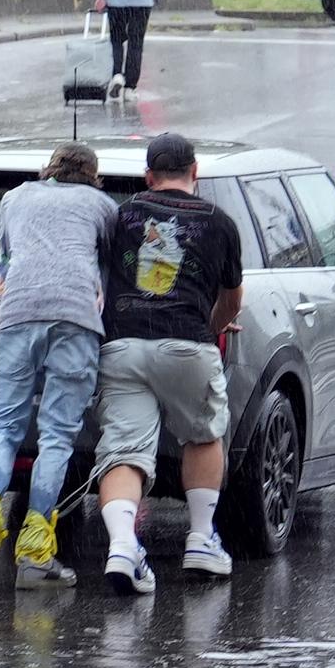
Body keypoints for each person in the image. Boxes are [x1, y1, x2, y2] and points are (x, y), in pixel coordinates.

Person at [0, 144, 115, 589]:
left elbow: (4, 264)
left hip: (18, 313)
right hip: (76, 317)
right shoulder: (102, 205)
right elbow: (110, 268)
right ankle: (35, 552)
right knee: (57, 435)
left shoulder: (15, 197)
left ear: (49, 169)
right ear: (92, 175)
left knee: (2, 426)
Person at [89, 134, 242, 596]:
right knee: (203, 434)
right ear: (195, 172)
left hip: (123, 346)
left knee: (124, 450)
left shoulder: (121, 215)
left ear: (148, 177)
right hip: (186, 345)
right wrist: (211, 326)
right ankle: (200, 539)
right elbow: (232, 299)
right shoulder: (220, 223)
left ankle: (122, 546)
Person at [91, 0, 164, 98]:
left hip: (116, 1)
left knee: (116, 40)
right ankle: (130, 88)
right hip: (143, 2)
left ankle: (117, 74)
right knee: (136, 43)